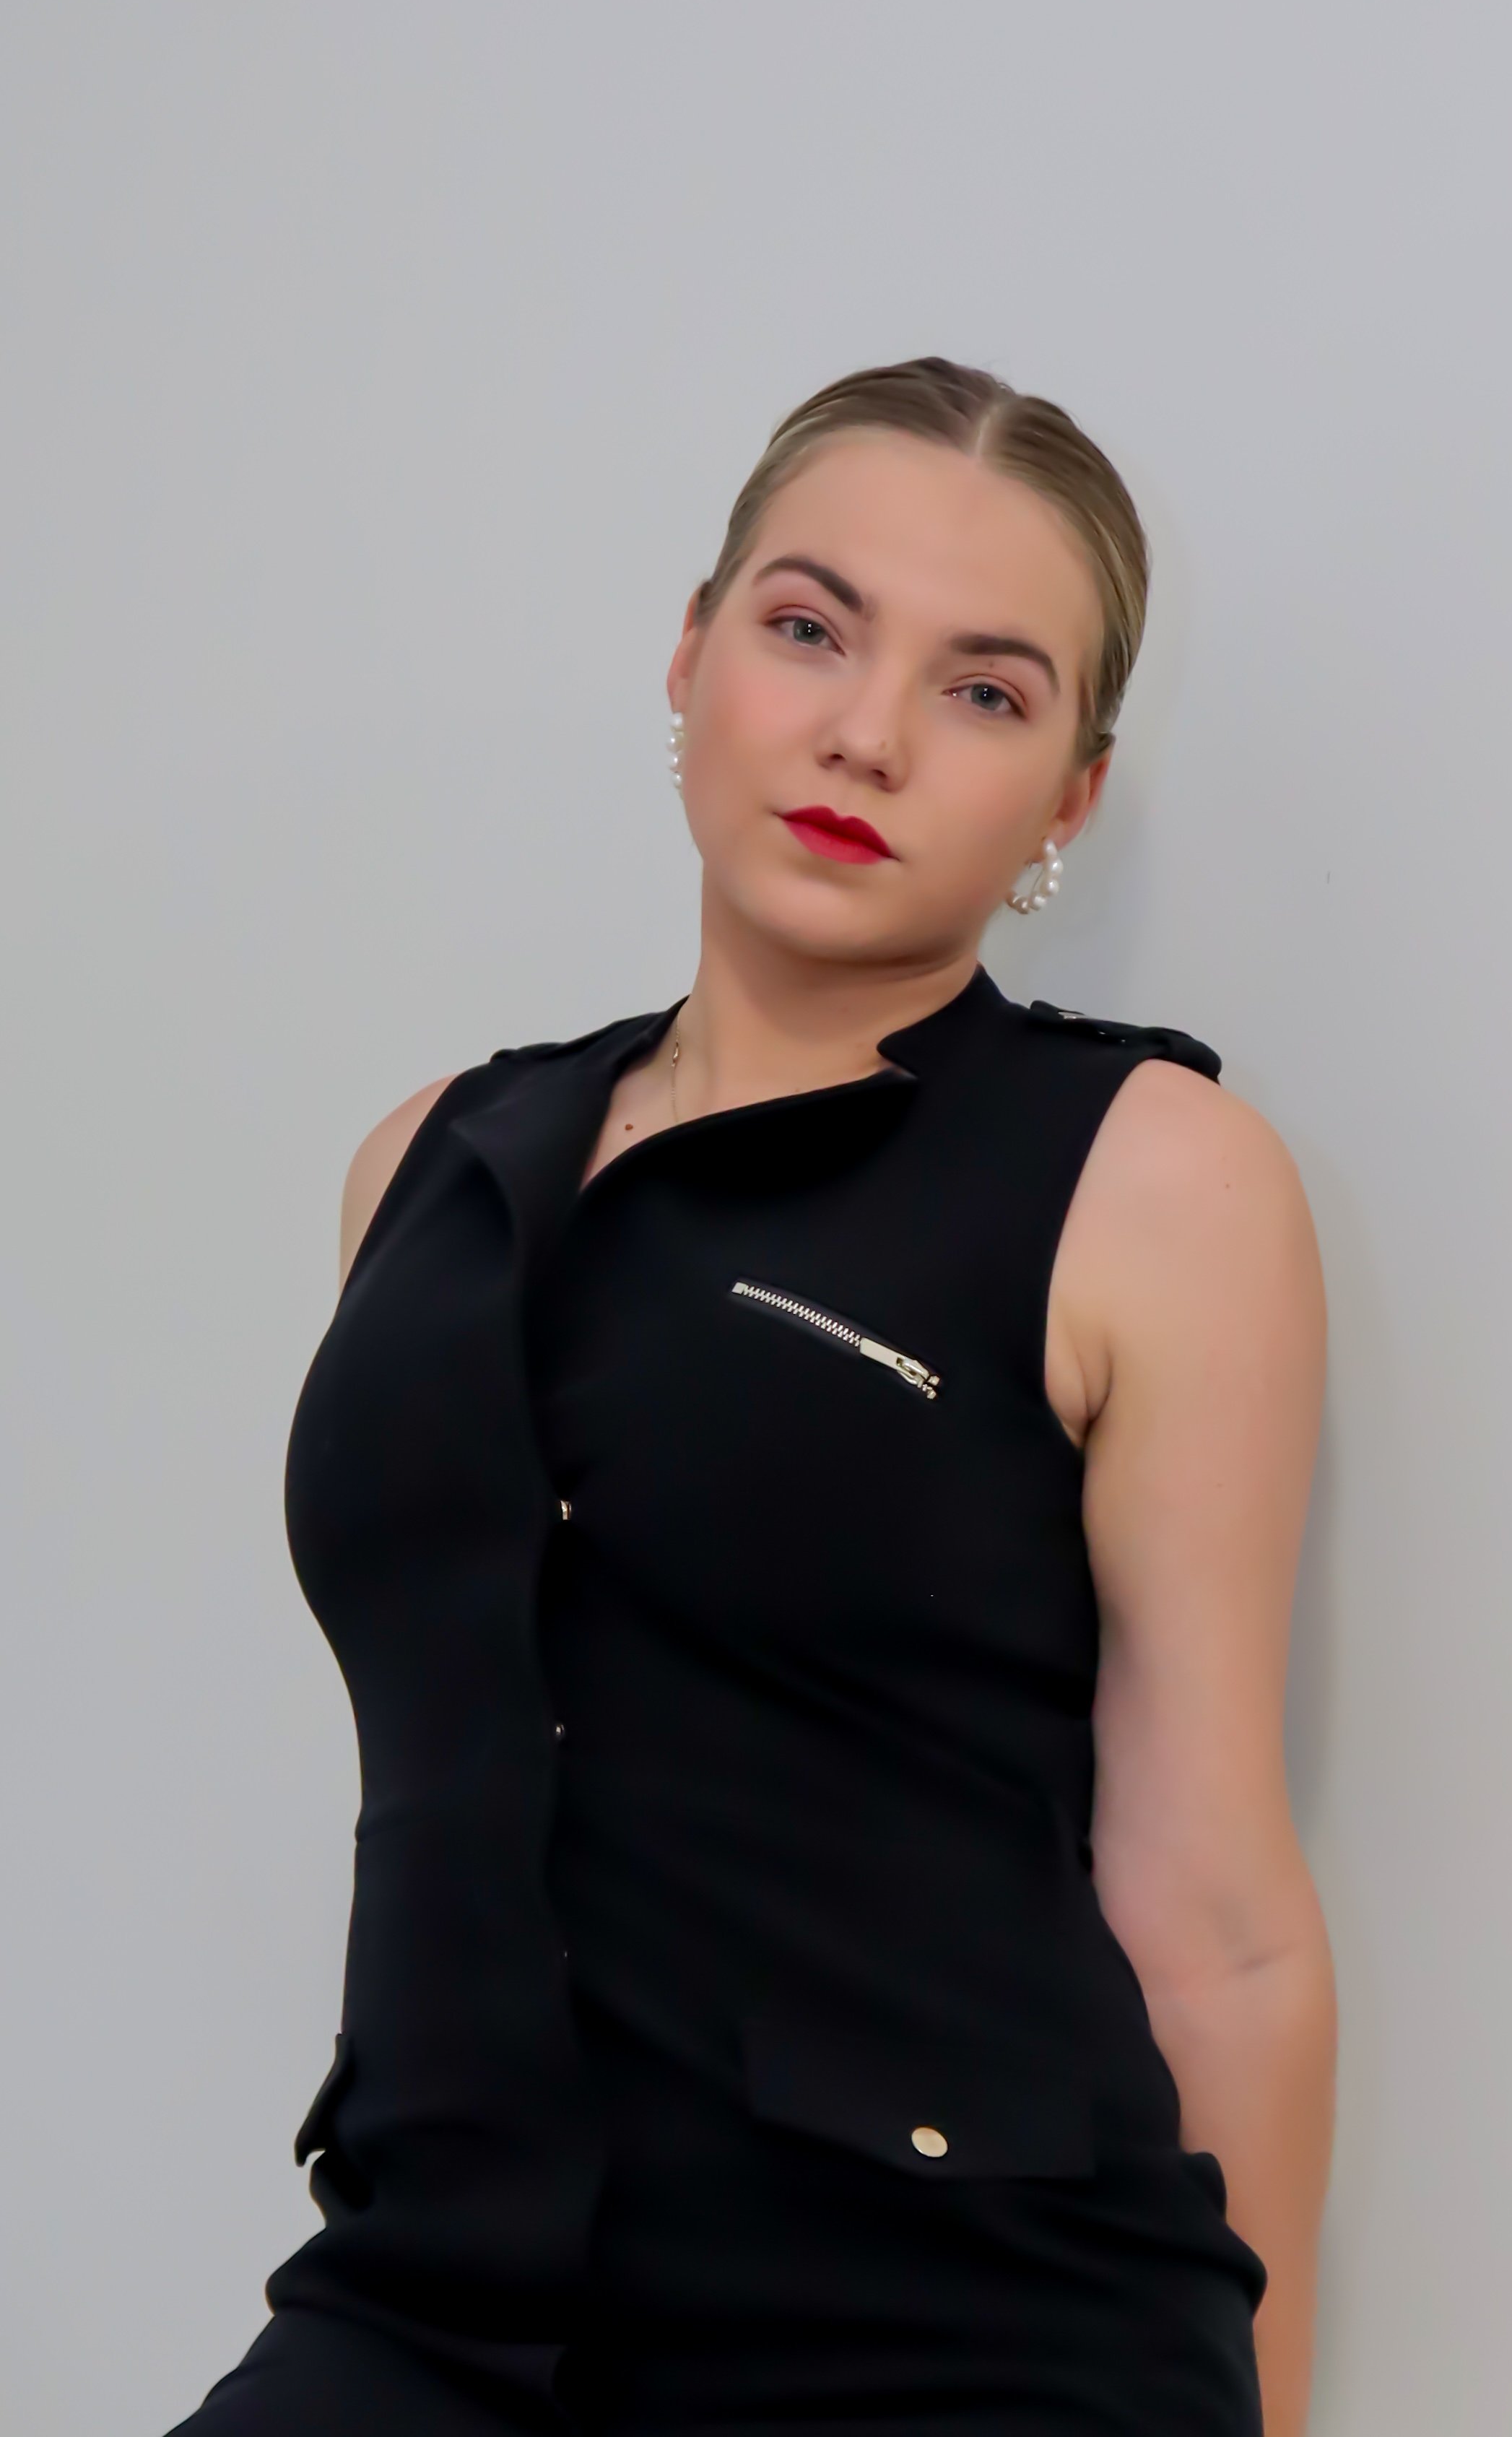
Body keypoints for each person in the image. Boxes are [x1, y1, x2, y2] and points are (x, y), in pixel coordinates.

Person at [165, 357, 1334, 2437]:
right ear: (694, 650)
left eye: (987, 691)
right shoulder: (428, 1164)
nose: (866, 734)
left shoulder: (1146, 1176)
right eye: (810, 628)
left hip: (956, 2333)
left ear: (1069, 796)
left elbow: (1221, 1916)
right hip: (431, 2304)